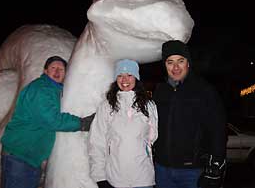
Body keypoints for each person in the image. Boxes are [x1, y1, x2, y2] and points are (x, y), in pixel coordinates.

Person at [0, 55, 95, 188]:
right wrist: (82, 123)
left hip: (28, 158)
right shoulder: (40, 89)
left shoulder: (53, 90)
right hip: (19, 157)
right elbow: (52, 120)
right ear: (45, 71)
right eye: (53, 68)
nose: (57, 72)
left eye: (61, 69)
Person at [152, 40, 227, 188]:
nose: (175, 67)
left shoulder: (204, 90)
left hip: (193, 171)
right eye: (170, 62)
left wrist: (216, 164)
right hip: (162, 170)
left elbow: (218, 129)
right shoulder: (160, 91)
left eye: (180, 61)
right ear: (164, 65)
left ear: (188, 63)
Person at [88, 59, 158, 188]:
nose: (124, 79)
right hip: (115, 179)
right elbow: (96, 142)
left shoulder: (148, 105)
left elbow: (152, 137)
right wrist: (100, 178)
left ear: (136, 78)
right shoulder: (106, 106)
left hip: (143, 178)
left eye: (129, 75)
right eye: (120, 75)